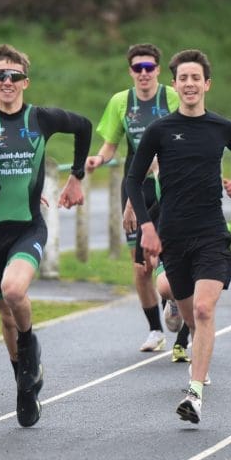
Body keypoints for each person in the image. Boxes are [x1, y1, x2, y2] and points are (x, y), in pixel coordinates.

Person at [0, 44, 92, 427]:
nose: (7, 82)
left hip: (29, 226)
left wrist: (76, 175)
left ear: (25, 82)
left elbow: (83, 126)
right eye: (0, 75)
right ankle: (24, 386)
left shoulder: (40, 118)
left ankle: (31, 350)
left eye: (14, 76)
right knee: (4, 314)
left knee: (15, 292)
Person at [125, 48, 231, 425]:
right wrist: (148, 227)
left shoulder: (222, 127)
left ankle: (195, 393)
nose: (189, 84)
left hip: (210, 234)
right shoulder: (159, 130)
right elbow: (133, 180)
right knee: (188, 314)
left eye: (195, 78)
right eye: (183, 78)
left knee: (204, 310)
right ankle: (185, 334)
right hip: (172, 235)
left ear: (207, 84)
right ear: (175, 85)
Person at [85, 44, 181, 352]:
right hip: (136, 185)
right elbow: (110, 143)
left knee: (173, 252)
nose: (143, 73)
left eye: (149, 68)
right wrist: (97, 160)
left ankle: (174, 297)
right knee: (141, 266)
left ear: (157, 70)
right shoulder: (120, 102)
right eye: (138, 68)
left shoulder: (172, 97)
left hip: (171, 183)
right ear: (130, 71)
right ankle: (155, 329)